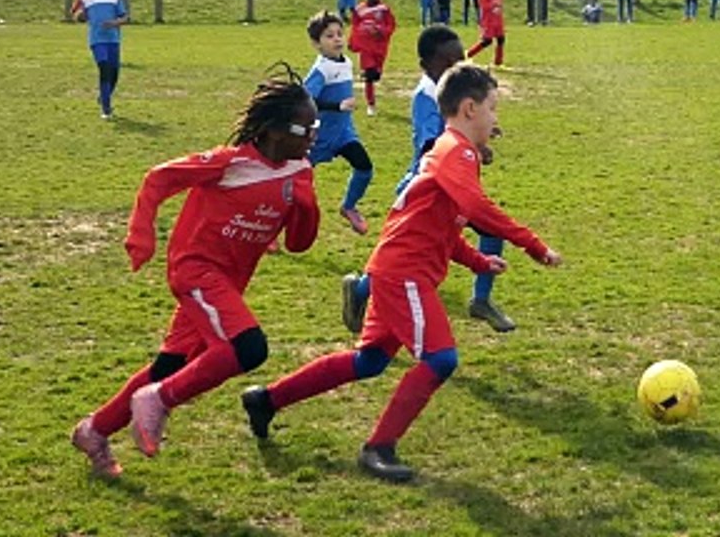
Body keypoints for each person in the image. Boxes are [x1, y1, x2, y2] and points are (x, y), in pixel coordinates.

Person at [241, 61, 562, 483]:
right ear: (469, 108)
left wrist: (480, 262)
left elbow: (441, 231)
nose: (495, 119)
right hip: (404, 275)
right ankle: (379, 447)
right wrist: (534, 246)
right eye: (493, 109)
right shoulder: (456, 152)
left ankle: (267, 399)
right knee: (441, 358)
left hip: (398, 270)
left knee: (370, 360)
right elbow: (478, 210)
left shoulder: (449, 153)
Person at [69, 65, 321, 478]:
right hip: (195, 270)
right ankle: (159, 400)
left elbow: (298, 244)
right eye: (305, 126)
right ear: (274, 131)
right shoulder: (230, 163)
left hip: (227, 286)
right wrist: (141, 236)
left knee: (169, 365)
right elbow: (157, 180)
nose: (313, 134)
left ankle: (93, 430)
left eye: (317, 125)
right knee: (248, 348)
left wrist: (308, 207)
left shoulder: (300, 171)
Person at [341, 26, 514, 333]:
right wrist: (477, 145)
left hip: (450, 186)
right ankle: (362, 290)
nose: (458, 66)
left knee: (485, 232)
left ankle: (481, 300)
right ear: (427, 66)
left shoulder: (455, 93)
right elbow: (430, 144)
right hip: (424, 187)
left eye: (461, 58)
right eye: (449, 62)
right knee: (407, 252)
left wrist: (482, 130)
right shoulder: (426, 96)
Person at [304, 11, 375, 235]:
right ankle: (272, 229)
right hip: (318, 137)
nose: (337, 39)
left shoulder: (347, 63)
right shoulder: (321, 69)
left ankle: (349, 206)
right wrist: (336, 106)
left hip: (343, 133)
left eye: (339, 34)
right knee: (296, 189)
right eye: (329, 36)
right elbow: (306, 100)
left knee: (365, 167)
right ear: (316, 43)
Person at [77, 0, 129, 119]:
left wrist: (115, 22)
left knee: (114, 74)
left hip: (113, 40)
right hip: (97, 40)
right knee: (104, 69)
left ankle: (104, 95)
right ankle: (106, 108)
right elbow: (80, 16)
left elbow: (125, 17)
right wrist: (80, 16)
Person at [348, 0, 397, 117]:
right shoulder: (359, 10)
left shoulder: (384, 9)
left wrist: (381, 31)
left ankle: (375, 73)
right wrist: (353, 41)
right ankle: (371, 104)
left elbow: (391, 26)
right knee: (369, 75)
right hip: (366, 48)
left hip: (380, 47)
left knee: (376, 74)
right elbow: (355, 27)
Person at [466, 0, 506, 67]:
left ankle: (498, 62)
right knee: (487, 41)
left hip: (498, 19)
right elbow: (482, 2)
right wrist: (493, 6)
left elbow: (500, 1)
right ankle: (469, 54)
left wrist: (499, 8)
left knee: (501, 38)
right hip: (488, 19)